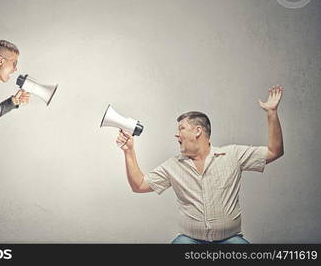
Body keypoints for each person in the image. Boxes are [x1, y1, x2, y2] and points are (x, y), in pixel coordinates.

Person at [116, 86, 284, 244]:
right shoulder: (173, 166)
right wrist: (129, 151)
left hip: (230, 240)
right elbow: (139, 185)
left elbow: (274, 151)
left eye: (181, 128)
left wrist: (271, 113)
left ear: (197, 131)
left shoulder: (233, 154)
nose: (176, 134)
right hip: (189, 240)